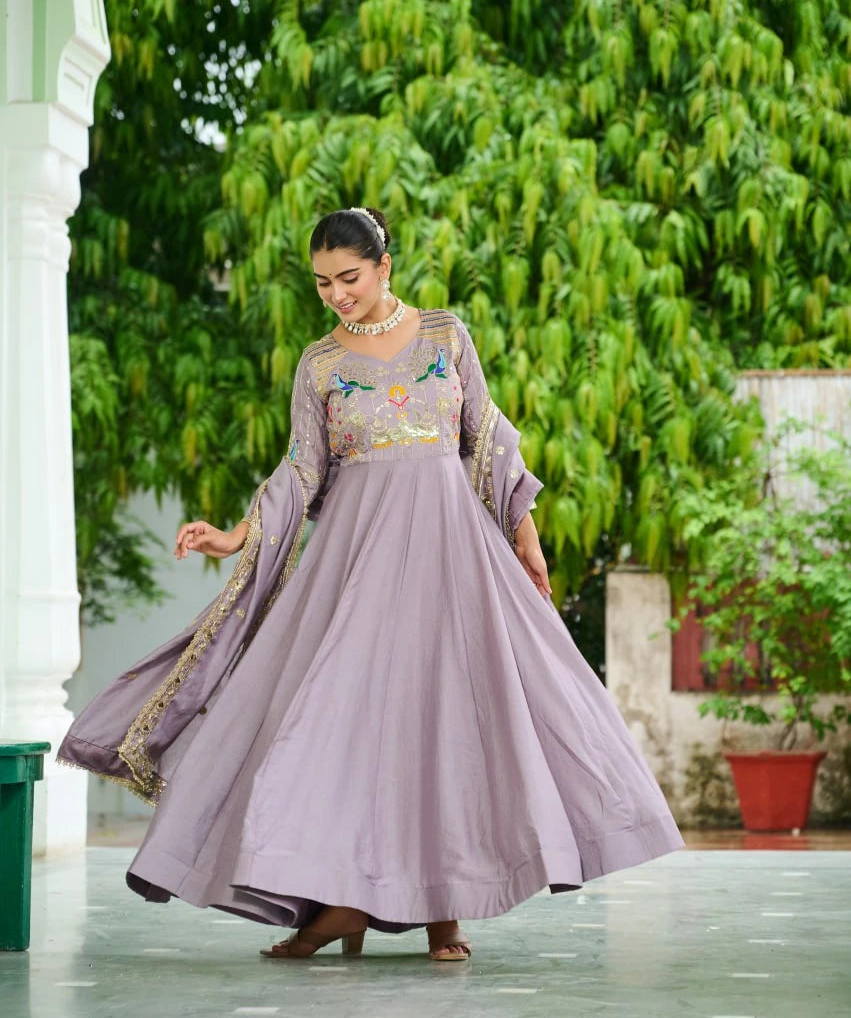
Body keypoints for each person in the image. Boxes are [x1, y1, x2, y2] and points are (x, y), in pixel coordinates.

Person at [59, 206, 684, 962]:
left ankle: (443, 911)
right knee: (342, 728)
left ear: (384, 265)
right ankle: (340, 902)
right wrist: (232, 537)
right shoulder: (319, 364)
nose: (334, 294)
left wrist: (526, 535)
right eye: (321, 283)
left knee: (447, 723)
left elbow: (484, 436)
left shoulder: (445, 336)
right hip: (355, 564)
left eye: (347, 278)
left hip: (452, 558)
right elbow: (300, 470)